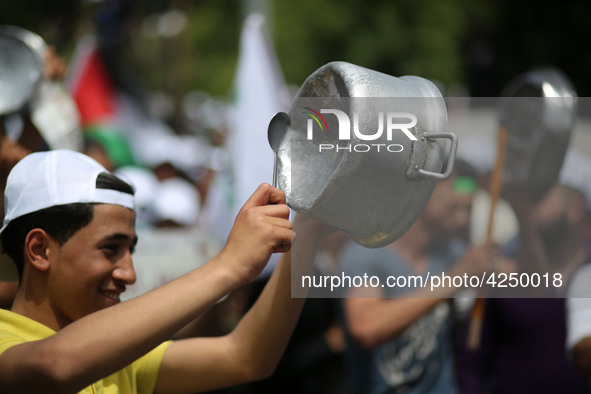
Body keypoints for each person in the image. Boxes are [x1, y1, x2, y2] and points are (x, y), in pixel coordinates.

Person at [0, 149, 330, 393]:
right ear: (39, 250)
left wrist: (309, 227)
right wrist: (230, 264)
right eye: (110, 249)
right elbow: (55, 366)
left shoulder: (118, 358)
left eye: (131, 250)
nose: (129, 273)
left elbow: (246, 357)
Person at [340, 169, 499, 394]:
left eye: (468, 210)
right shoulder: (365, 254)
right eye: (454, 208)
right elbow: (366, 326)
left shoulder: (451, 253)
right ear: (426, 190)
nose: (463, 220)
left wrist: (521, 209)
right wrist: (455, 278)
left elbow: (524, 279)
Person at [456, 149, 591, 394]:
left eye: (538, 195)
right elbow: (473, 360)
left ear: (576, 207)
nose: (527, 203)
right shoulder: (499, 266)